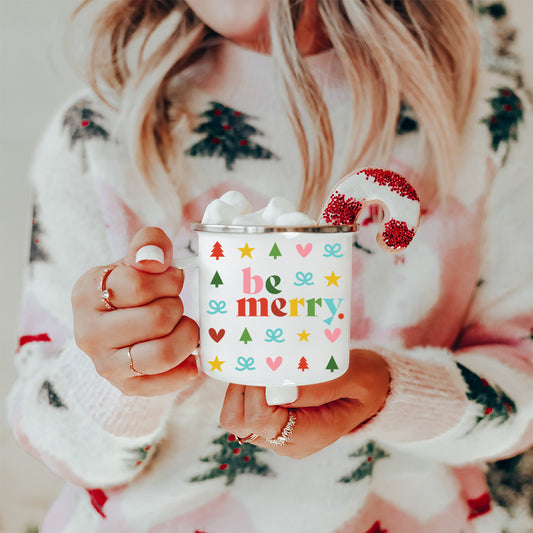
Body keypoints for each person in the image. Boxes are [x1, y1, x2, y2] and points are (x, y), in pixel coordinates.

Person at [7, 0, 533, 531]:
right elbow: (50, 436)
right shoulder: (98, 135)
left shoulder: (489, 123)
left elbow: (524, 392)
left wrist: (390, 393)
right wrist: (116, 382)